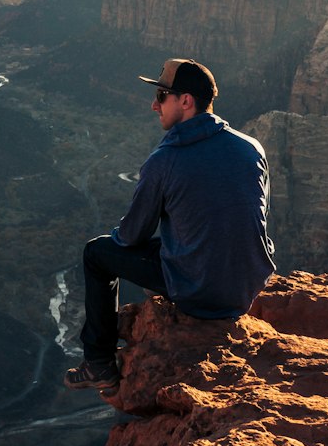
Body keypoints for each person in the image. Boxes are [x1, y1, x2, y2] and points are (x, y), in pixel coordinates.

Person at [64, 57, 274, 393]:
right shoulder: (252, 148)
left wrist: (123, 233)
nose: (153, 105)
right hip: (244, 289)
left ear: (186, 101)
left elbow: (132, 236)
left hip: (200, 293)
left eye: (162, 95)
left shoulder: (165, 160)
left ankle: (99, 362)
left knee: (96, 253)